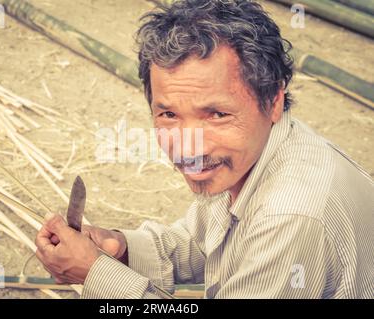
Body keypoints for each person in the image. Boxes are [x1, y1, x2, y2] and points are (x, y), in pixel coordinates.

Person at [35, 0, 374, 298]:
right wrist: (119, 249)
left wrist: (96, 274)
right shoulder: (250, 156)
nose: (188, 145)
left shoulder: (290, 216)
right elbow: (199, 244)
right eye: (168, 114)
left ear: (273, 101)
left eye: (216, 114)